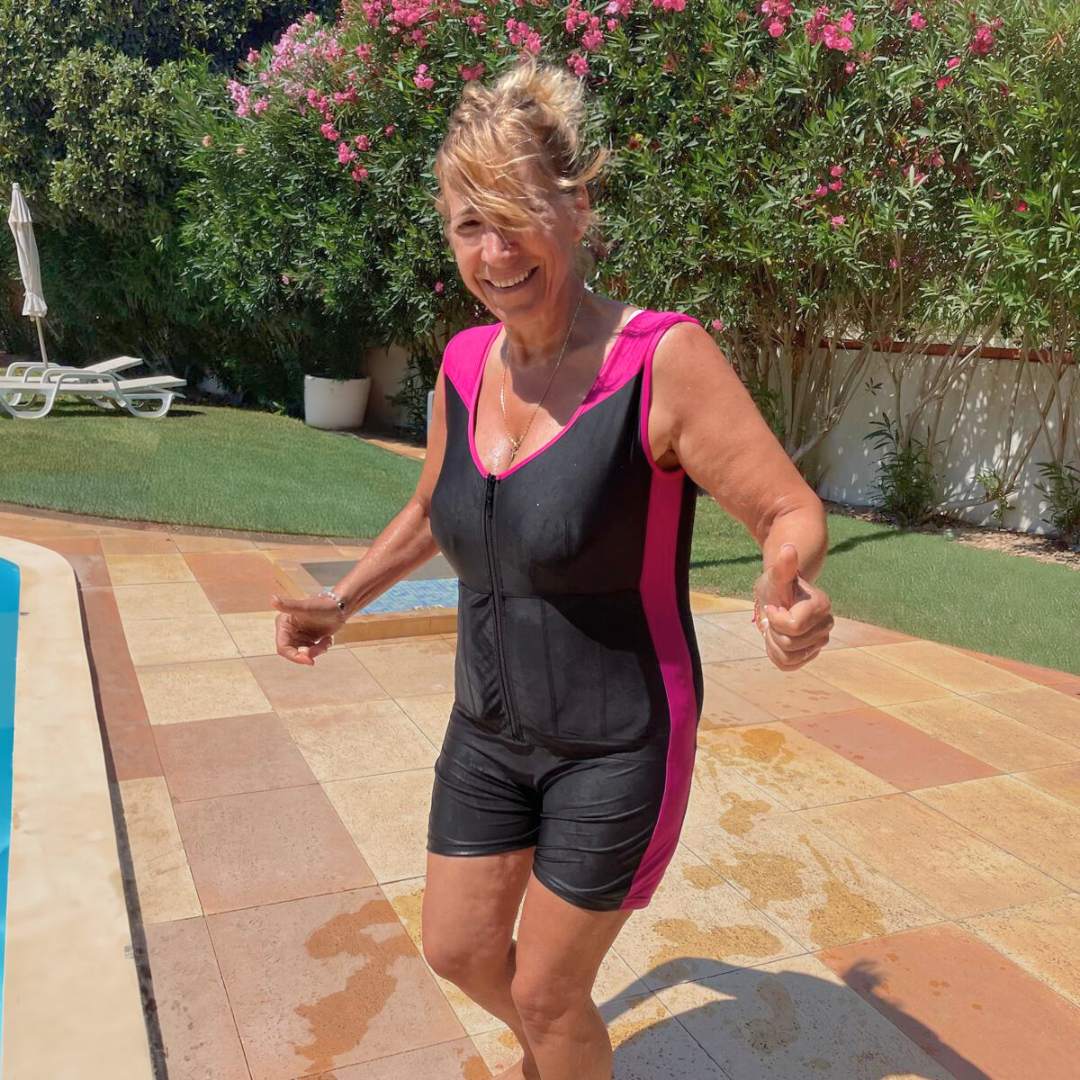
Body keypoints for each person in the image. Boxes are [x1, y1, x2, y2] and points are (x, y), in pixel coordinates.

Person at [272, 59, 834, 1080]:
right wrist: (339, 601)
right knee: (457, 948)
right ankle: (559, 1054)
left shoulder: (662, 360)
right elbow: (430, 510)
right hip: (488, 727)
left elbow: (786, 507)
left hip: (619, 742)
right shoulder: (460, 365)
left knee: (547, 990)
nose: (493, 252)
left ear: (577, 207)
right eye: (466, 226)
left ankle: (560, 1045)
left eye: (518, 215)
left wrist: (785, 581)